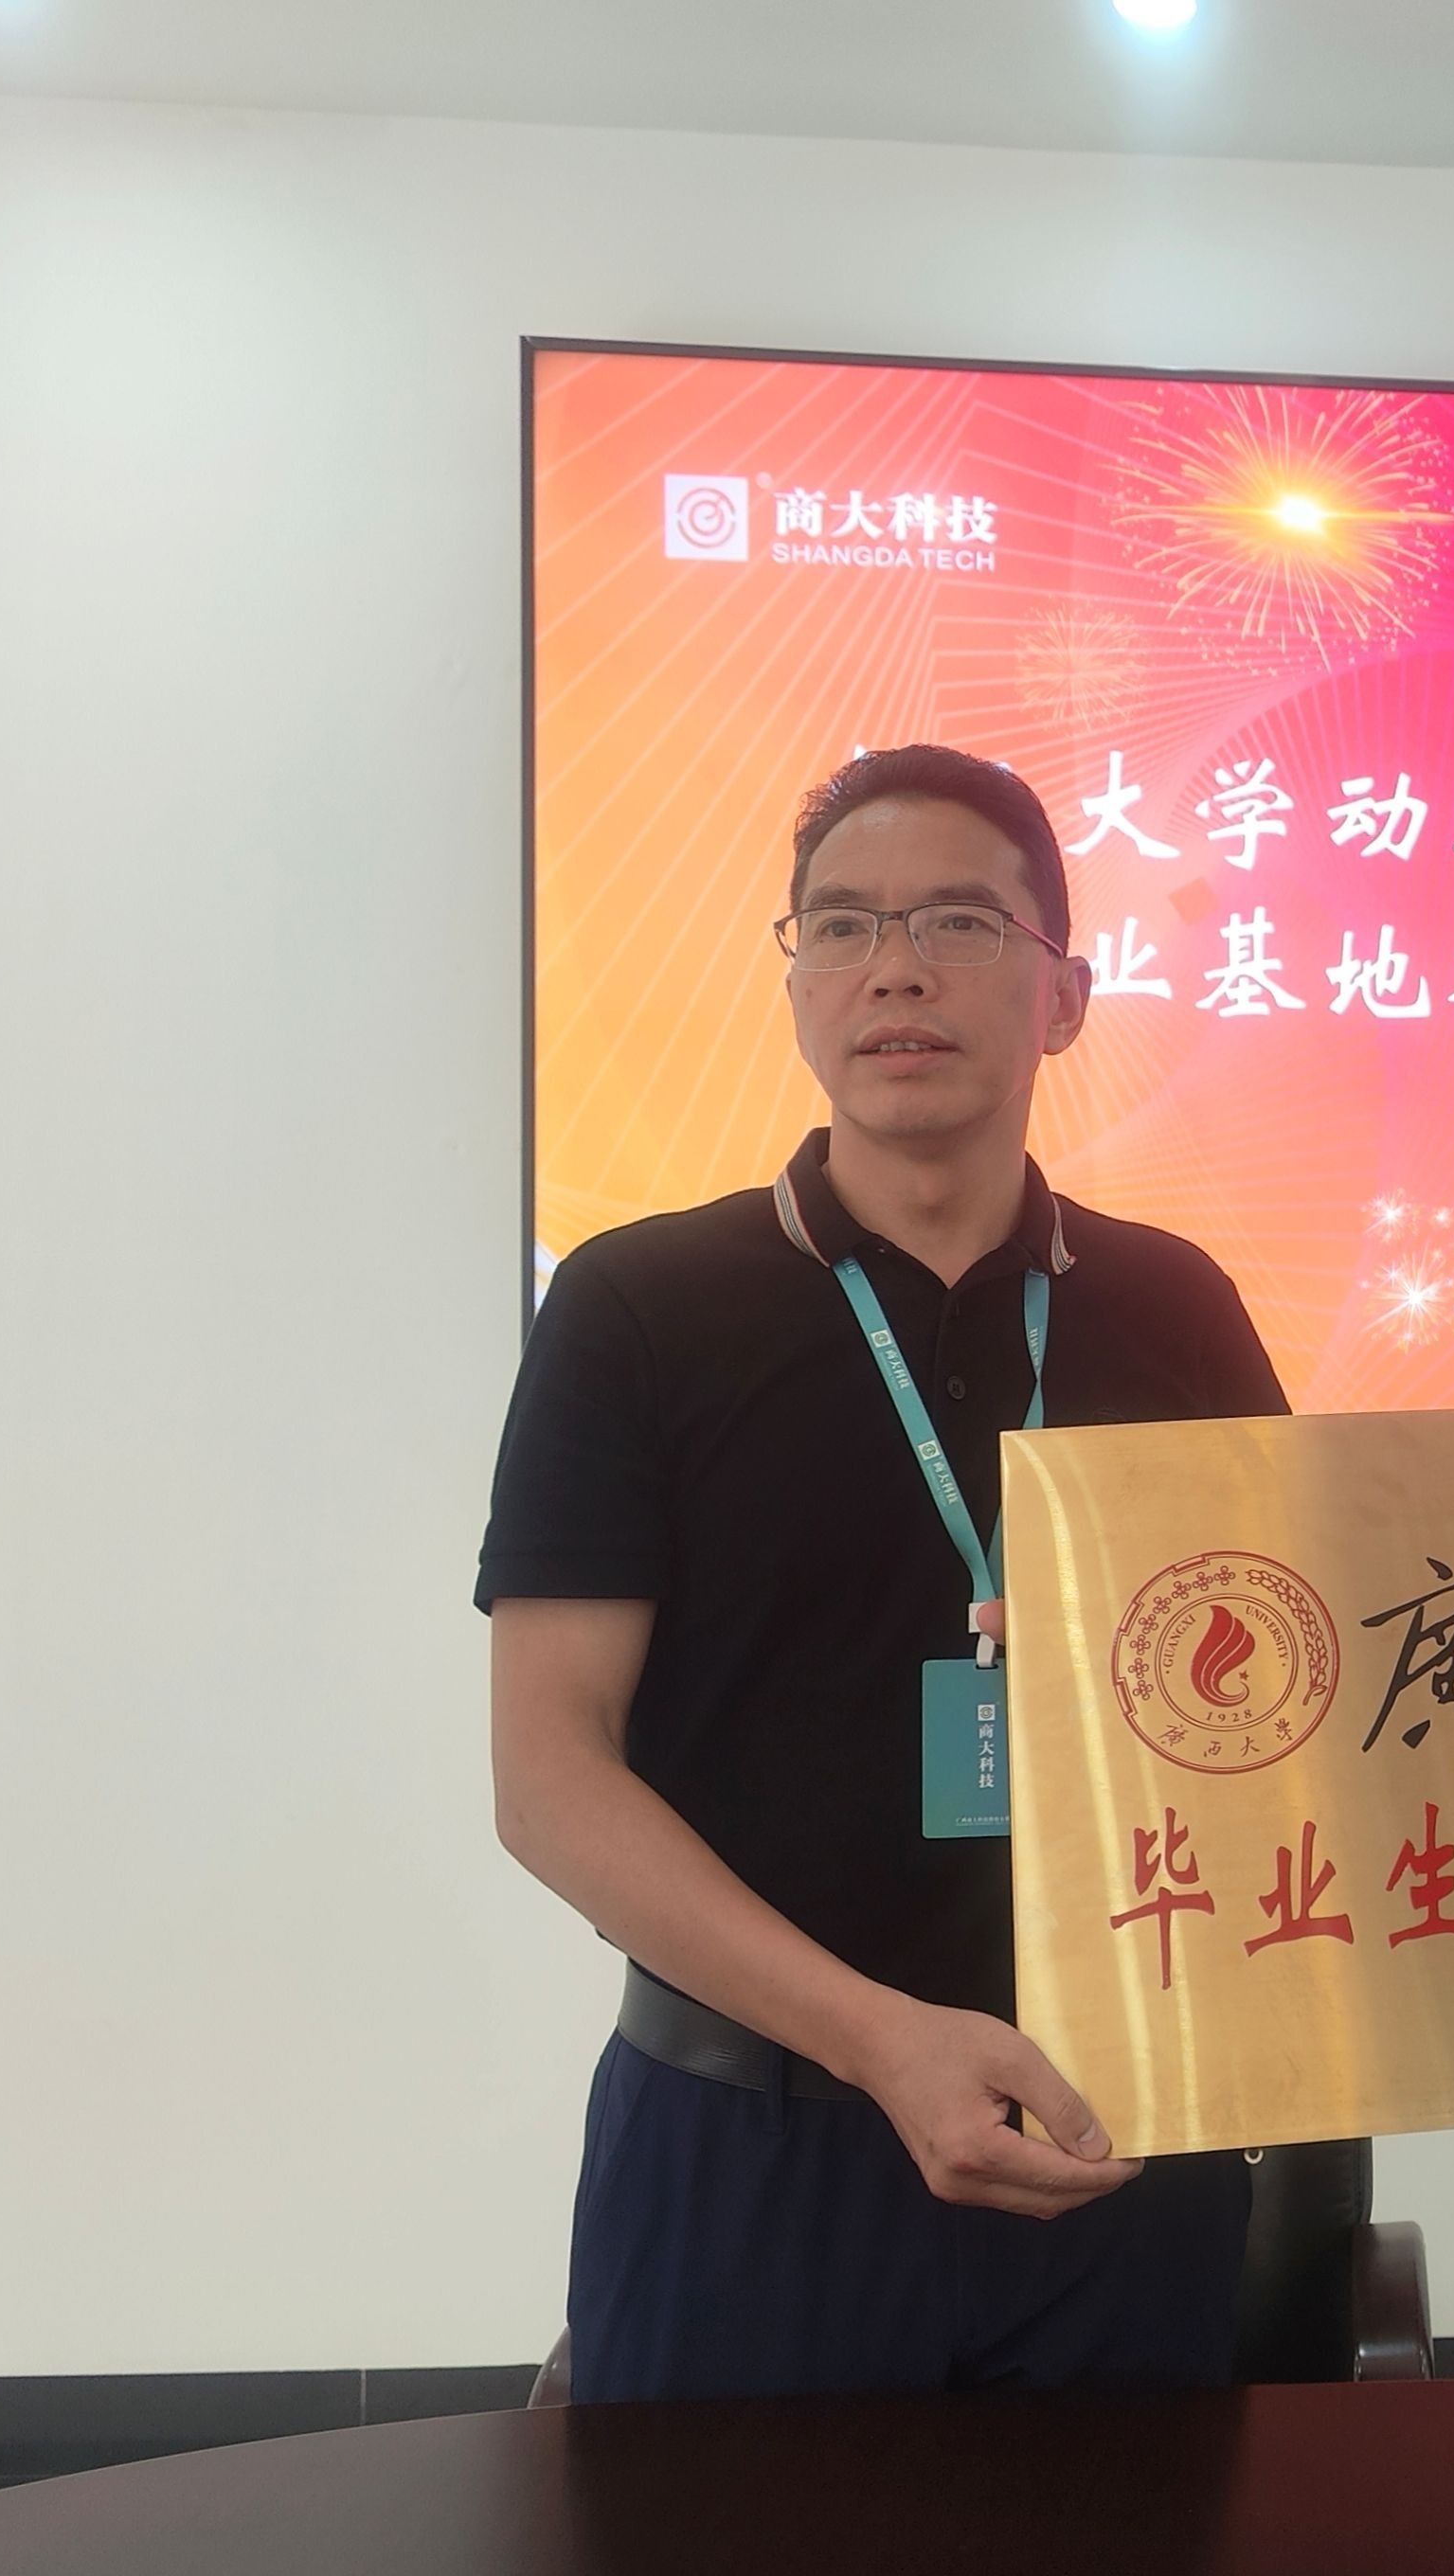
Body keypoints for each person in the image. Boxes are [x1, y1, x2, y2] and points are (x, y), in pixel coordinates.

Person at [479, 744, 1286, 2401]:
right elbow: (550, 1774)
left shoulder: (1176, 1308)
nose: (895, 968)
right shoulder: (639, 1309)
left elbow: (1296, 1703)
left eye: (958, 922)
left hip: (1117, 2141)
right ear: (797, 989)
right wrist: (881, 2041)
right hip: (750, 2147)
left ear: (1065, 997)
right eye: (840, 926)